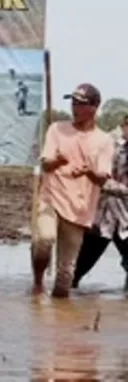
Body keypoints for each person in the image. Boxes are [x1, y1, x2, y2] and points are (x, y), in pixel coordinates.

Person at [32, 83, 113, 298]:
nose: (75, 108)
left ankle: (60, 324)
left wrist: (88, 172)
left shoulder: (104, 140)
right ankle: (38, 282)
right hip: (51, 196)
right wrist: (57, 161)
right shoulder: (57, 129)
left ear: (94, 107)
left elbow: (103, 178)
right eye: (73, 103)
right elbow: (46, 164)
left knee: (66, 273)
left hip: (79, 208)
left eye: (81, 104)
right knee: (44, 240)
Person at [72, 114, 128, 292]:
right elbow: (96, 172)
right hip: (100, 216)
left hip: (125, 218)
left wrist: (103, 182)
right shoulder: (109, 144)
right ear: (124, 125)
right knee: (78, 267)